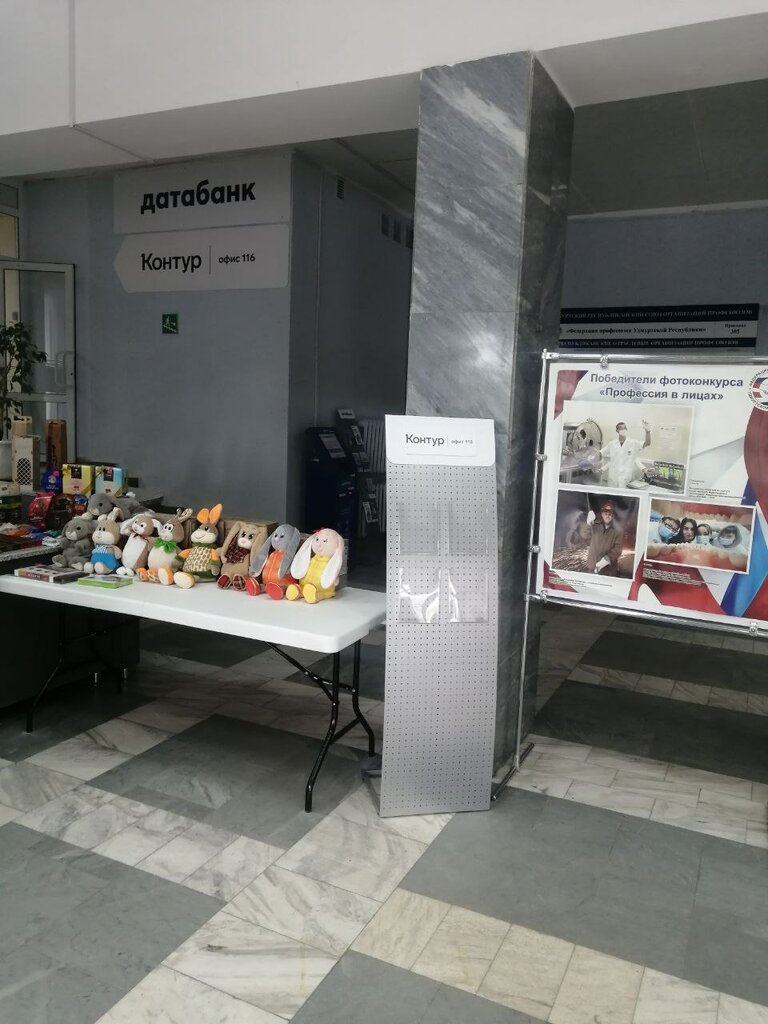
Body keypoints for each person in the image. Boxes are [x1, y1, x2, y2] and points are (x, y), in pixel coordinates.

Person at [599, 419, 651, 489]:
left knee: (624, 495)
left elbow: (647, 443)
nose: (623, 430)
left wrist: (648, 431)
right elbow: (601, 454)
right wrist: (601, 468)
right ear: (617, 430)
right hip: (613, 478)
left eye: (624, 428)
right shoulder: (612, 444)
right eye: (621, 428)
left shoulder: (633, 443)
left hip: (626, 478)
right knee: (613, 495)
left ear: (626, 429)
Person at [585, 500, 624, 575]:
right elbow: (586, 537)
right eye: (605, 513)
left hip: (608, 571)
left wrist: (606, 560)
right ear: (602, 514)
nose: (607, 516)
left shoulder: (618, 531)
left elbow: (617, 550)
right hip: (592, 567)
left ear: (613, 515)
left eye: (610, 514)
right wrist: (588, 524)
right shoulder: (595, 526)